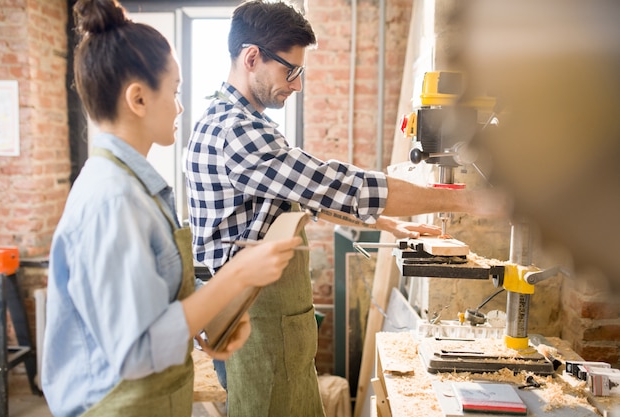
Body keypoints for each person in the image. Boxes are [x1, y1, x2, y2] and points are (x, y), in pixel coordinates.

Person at [185, 1, 509, 416]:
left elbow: (302, 196)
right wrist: (465, 199)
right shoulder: (238, 131)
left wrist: (389, 222)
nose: (297, 85)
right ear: (252, 58)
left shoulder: (236, 121)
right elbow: (335, 184)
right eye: (292, 71)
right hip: (257, 318)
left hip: (263, 314)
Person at [41, 1, 302, 416]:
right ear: (139, 98)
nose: (180, 107)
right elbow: (137, 351)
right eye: (175, 91)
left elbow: (154, 298)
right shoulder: (114, 199)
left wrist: (213, 315)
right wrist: (235, 277)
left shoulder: (136, 187)